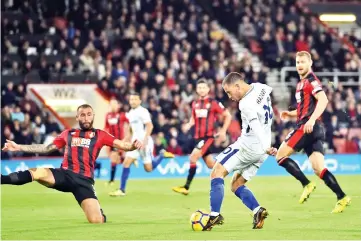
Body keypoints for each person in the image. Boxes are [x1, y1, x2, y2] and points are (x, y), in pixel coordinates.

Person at [1, 104, 142, 223]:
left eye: (89, 115)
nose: (86, 118)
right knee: (38, 172)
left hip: (84, 181)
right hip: (65, 174)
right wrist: (19, 146)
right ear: (77, 117)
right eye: (82, 115)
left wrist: (133, 146)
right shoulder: (68, 133)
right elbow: (47, 148)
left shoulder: (100, 134)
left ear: (93, 116)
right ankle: (2, 178)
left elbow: (121, 144)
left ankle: (98, 211)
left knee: (96, 220)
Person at [276, 51, 351, 213]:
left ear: (310, 63)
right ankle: (342, 196)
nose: (299, 65)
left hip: (307, 126)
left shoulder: (311, 81)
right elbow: (305, 108)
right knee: (319, 169)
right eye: (297, 62)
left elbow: (323, 100)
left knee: (280, 156)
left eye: (302, 62)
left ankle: (306, 184)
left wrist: (309, 120)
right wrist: (291, 114)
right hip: (314, 128)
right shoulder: (301, 83)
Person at [203, 72, 277, 231]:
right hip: (262, 151)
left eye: (229, 92)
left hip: (249, 146)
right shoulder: (261, 87)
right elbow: (269, 93)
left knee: (216, 172)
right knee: (236, 184)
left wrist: (265, 146)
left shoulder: (245, 104)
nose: (229, 96)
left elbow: (255, 125)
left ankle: (214, 214)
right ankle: (258, 211)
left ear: (238, 86)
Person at [172, 79, 231, 195]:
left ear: (208, 89)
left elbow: (227, 115)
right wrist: (188, 125)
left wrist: (223, 131)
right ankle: (231, 171)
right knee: (211, 165)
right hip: (197, 138)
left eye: (204, 87)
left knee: (193, 158)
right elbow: (193, 118)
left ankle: (186, 187)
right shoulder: (195, 104)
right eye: (199, 88)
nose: (202, 90)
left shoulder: (213, 103)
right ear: (197, 90)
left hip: (207, 137)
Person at [109, 92, 174, 197]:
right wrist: (122, 141)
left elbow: (149, 126)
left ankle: (162, 155)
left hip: (145, 143)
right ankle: (122, 190)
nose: (133, 101)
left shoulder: (143, 111)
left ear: (139, 101)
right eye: (131, 99)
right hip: (135, 143)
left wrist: (144, 141)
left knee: (148, 169)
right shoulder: (130, 113)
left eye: (135, 99)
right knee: (126, 163)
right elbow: (131, 131)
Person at [104, 99, 131, 186]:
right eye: (111, 104)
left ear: (117, 106)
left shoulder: (122, 115)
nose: (113, 106)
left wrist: (127, 136)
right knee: (115, 160)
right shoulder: (107, 116)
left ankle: (111, 181)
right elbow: (106, 127)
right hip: (111, 141)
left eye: (114, 104)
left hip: (119, 141)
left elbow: (130, 123)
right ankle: (126, 159)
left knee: (113, 158)